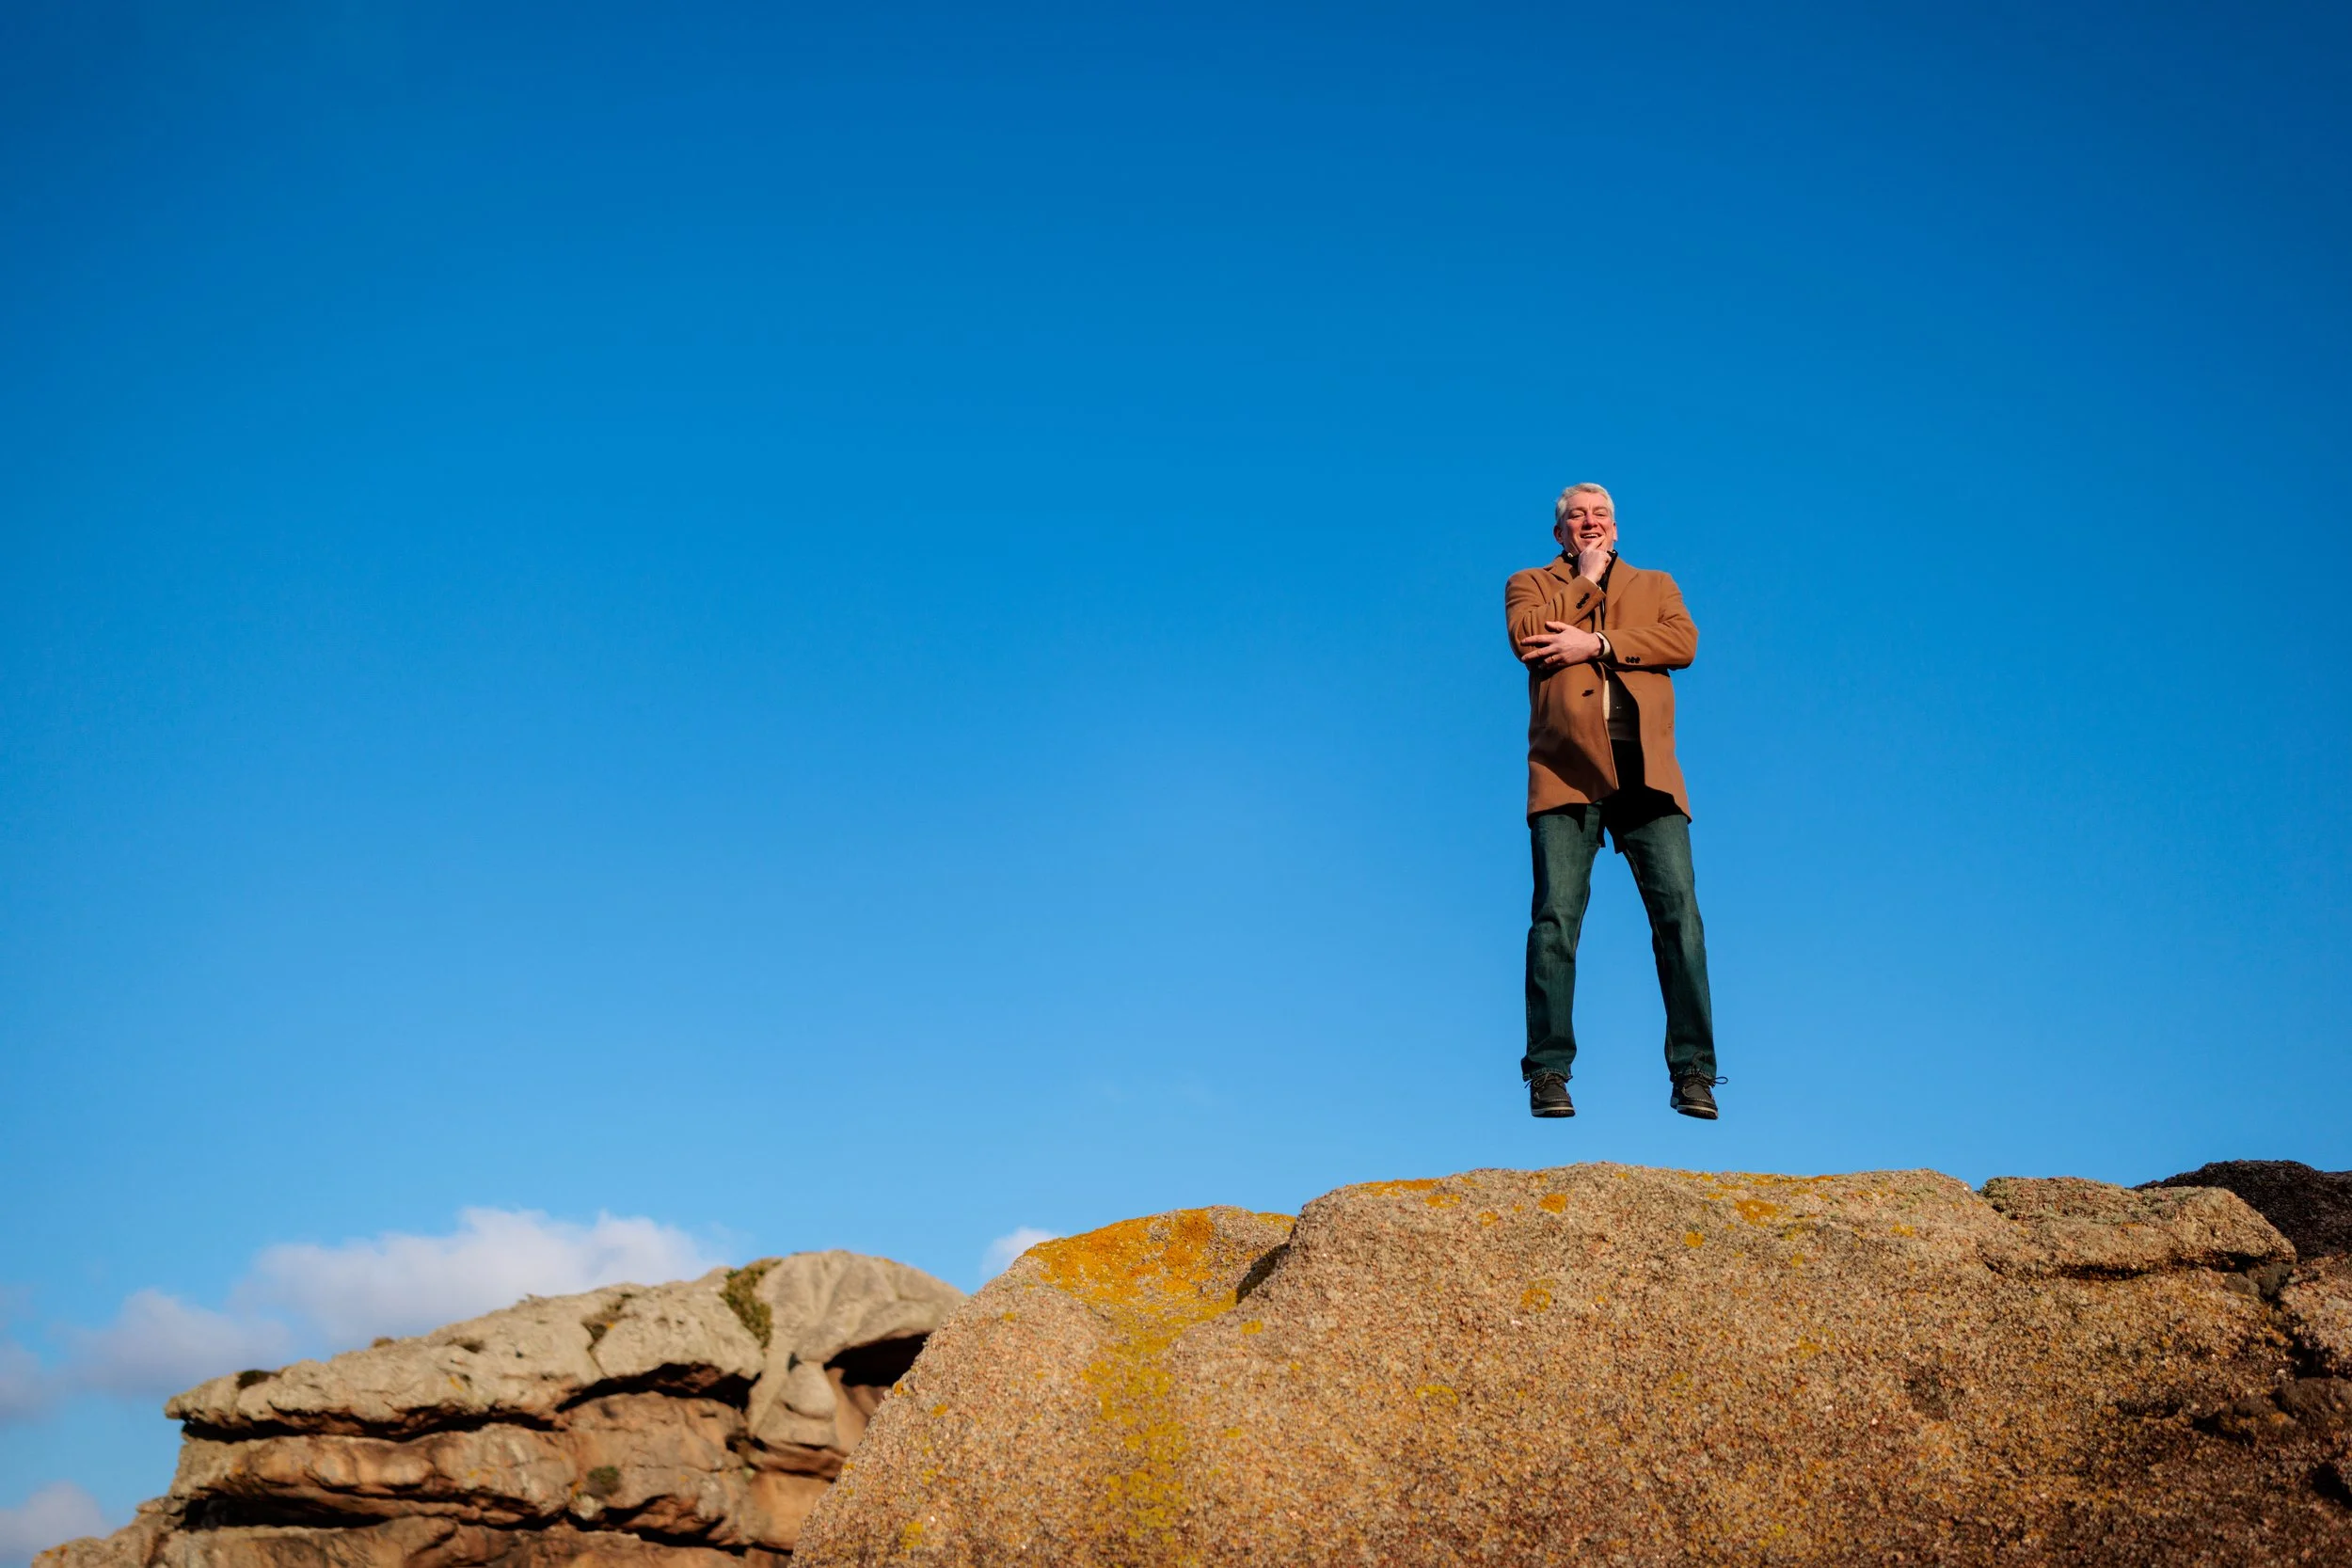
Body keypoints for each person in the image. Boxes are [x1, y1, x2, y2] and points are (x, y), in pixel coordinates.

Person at [1506, 483, 1722, 1120]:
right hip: (1566, 770)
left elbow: (1682, 642)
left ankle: (1694, 1071)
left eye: (1600, 514)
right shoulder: (1530, 584)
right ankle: (1548, 1070)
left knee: (1680, 917)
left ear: (1617, 527)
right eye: (1576, 516)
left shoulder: (1656, 584)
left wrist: (1596, 644)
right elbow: (1529, 637)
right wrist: (1586, 581)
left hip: (1648, 771)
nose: (1590, 522)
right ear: (1560, 533)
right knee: (1555, 919)